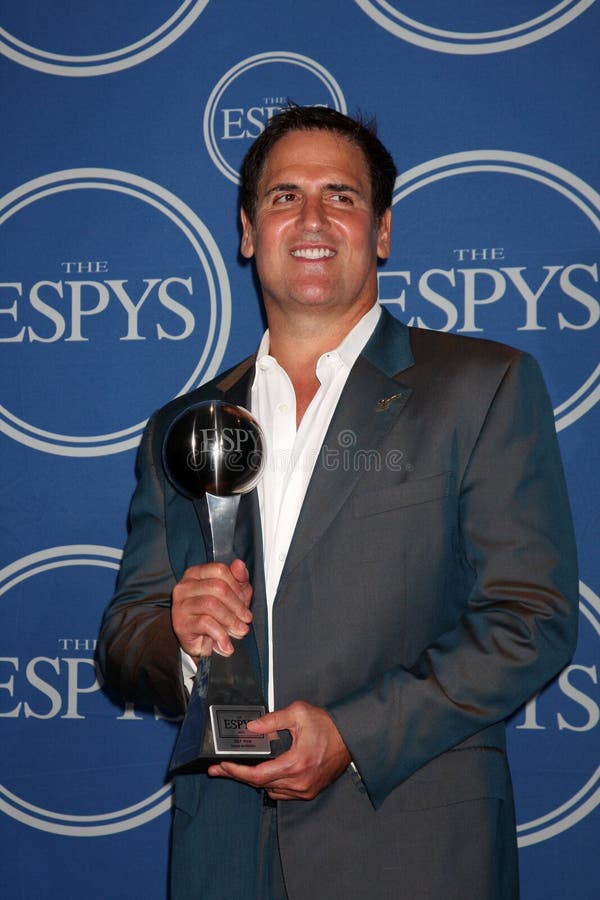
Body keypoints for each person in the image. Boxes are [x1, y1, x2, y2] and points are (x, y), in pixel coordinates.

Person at [97, 106, 578, 900]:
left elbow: (532, 617)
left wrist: (352, 736)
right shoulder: (183, 429)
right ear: (249, 232)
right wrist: (179, 638)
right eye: (284, 196)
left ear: (382, 232)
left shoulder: (482, 386)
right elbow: (124, 637)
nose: (312, 218)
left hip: (413, 849)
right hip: (223, 856)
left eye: (341, 197)